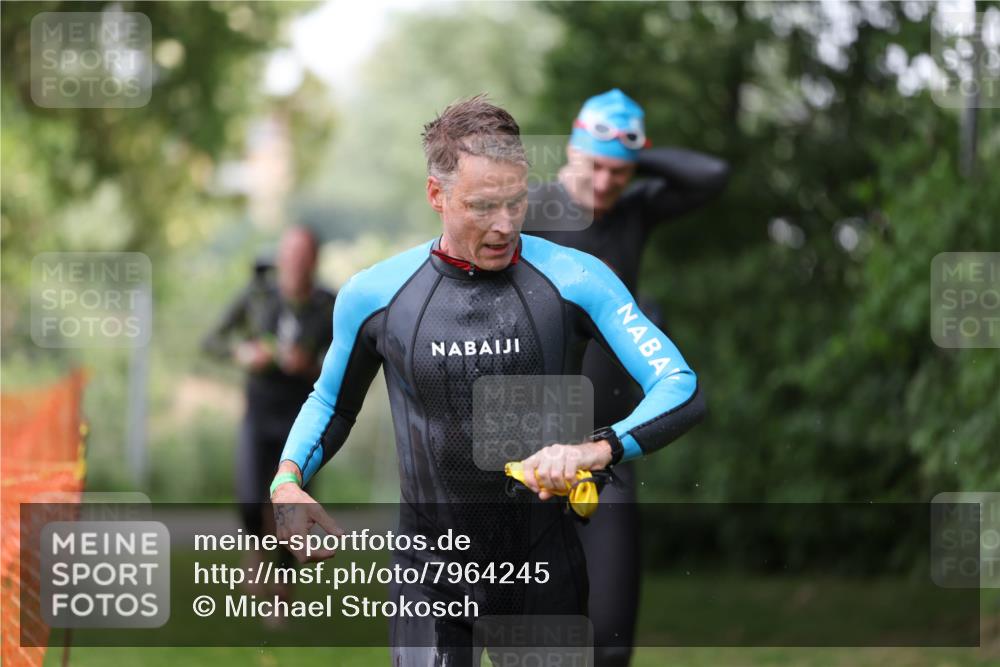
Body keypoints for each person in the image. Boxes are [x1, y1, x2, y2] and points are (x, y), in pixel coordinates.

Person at [268, 95, 705, 665]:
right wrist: (287, 480)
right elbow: (331, 401)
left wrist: (596, 448)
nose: (504, 225)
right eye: (482, 206)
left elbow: (680, 385)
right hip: (429, 576)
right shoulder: (375, 297)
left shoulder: (576, 278)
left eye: (516, 202)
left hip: (541, 575)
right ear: (437, 195)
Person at [527, 88, 729, 667]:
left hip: (604, 453)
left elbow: (712, 176)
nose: (608, 182)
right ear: (571, 149)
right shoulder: (529, 212)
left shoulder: (633, 211)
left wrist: (636, 153)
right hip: (529, 448)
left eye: (622, 170)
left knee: (610, 644)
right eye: (597, 164)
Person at [202, 225, 335, 600]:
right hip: (260, 413)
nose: (294, 264)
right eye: (289, 256)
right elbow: (212, 341)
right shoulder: (258, 298)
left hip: (304, 418)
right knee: (249, 496)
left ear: (314, 261)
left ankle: (282, 588)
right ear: (279, 260)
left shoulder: (329, 304)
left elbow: (350, 359)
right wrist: (245, 353)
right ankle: (256, 549)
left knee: (292, 500)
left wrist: (312, 364)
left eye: (303, 257)